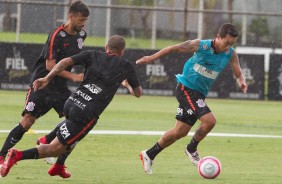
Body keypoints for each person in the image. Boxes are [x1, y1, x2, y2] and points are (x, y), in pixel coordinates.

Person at [0, 35, 142, 178]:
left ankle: (58, 166)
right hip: (86, 113)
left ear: (106, 47)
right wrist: (127, 84)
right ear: (122, 51)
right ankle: (17, 155)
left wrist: (47, 78)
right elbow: (137, 93)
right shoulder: (125, 66)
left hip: (71, 102)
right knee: (55, 149)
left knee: (73, 135)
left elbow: (65, 62)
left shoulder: (92, 54)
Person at [137, 23, 248, 174]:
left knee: (180, 132)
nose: (228, 47)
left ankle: (149, 154)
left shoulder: (231, 53)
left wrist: (241, 81)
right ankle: (191, 149)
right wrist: (151, 58)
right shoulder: (201, 46)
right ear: (218, 37)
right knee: (210, 121)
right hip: (186, 88)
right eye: (226, 43)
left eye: (232, 44)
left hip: (199, 93)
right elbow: (173, 48)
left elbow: (238, 72)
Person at [0, 1, 89, 178]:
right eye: (80, 20)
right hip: (42, 84)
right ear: (71, 17)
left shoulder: (82, 35)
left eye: (85, 20)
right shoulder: (57, 35)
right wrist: (74, 77)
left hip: (61, 89)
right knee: (27, 121)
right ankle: (2, 155)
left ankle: (56, 160)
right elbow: (50, 65)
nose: (83, 24)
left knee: (78, 121)